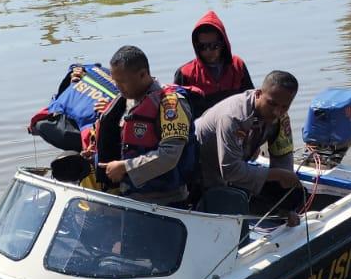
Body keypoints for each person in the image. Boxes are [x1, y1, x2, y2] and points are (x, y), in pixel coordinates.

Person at [84, 45, 196, 205]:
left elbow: (170, 155)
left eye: (122, 82)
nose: (118, 87)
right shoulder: (126, 99)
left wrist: (125, 167)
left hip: (165, 201)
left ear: (143, 74)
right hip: (129, 194)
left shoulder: (170, 104)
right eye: (115, 82)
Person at [193, 70, 302, 217]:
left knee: (295, 192)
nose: (277, 112)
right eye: (272, 104)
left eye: (284, 107)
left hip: (236, 167)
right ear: (258, 94)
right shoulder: (233, 117)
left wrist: (288, 207)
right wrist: (276, 174)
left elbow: (283, 162)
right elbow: (230, 170)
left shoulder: (281, 118)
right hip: (201, 174)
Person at [174, 11, 253, 118]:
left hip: (236, 128)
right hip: (201, 130)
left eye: (214, 46)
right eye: (202, 47)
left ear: (223, 44)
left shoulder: (238, 66)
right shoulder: (185, 73)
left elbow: (251, 102)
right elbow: (178, 113)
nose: (208, 52)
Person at [28, 61, 118, 152]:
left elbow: (75, 66)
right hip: (87, 125)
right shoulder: (125, 93)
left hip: (90, 121)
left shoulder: (89, 70)